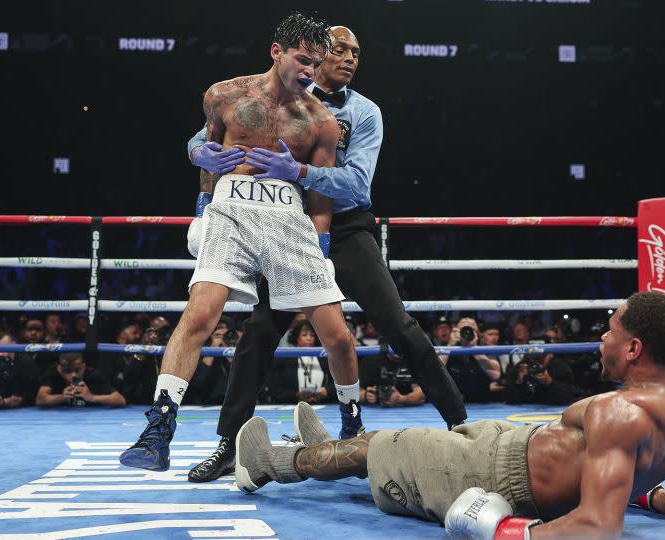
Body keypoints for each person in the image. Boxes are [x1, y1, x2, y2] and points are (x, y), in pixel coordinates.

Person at [185, 23, 466, 482]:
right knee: (258, 333)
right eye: (339, 50)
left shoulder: (365, 113)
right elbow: (204, 136)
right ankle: (227, 445)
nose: (350, 58)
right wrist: (200, 152)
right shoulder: (277, 95)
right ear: (312, 55)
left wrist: (297, 170)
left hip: (348, 229)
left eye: (357, 52)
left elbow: (357, 183)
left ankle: (458, 421)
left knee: (398, 324)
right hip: (287, 226)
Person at [234, 292, 665, 538]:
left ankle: (266, 465)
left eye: (611, 330)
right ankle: (319, 451)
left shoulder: (621, 414)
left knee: (375, 448)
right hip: (509, 445)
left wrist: (506, 530)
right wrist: (644, 493)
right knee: (402, 441)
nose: (601, 339)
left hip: (497, 477)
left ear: (634, 348)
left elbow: (597, 529)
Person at [120, 12, 360, 472]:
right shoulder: (223, 95)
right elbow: (208, 156)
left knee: (339, 337)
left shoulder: (321, 122)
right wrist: (200, 204)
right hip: (231, 207)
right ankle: (159, 429)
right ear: (277, 52)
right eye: (302, 60)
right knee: (200, 314)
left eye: (315, 63)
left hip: (288, 216)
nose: (309, 72)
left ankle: (352, 426)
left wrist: (322, 244)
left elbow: (321, 194)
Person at [36, 353, 126, 408]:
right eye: (68, 371)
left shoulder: (93, 375)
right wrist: (62, 397)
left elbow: (120, 400)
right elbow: (40, 400)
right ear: (59, 369)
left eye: (77, 370)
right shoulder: (53, 374)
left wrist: (92, 397)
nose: (73, 375)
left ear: (83, 367)